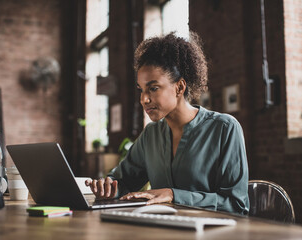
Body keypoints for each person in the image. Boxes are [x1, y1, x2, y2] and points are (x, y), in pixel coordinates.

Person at [86, 32, 249, 214]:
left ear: (179, 87)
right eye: (141, 90)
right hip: (161, 229)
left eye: (153, 88)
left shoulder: (224, 128)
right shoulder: (151, 135)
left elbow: (236, 204)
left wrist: (174, 194)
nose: (144, 99)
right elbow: (123, 182)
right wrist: (109, 188)